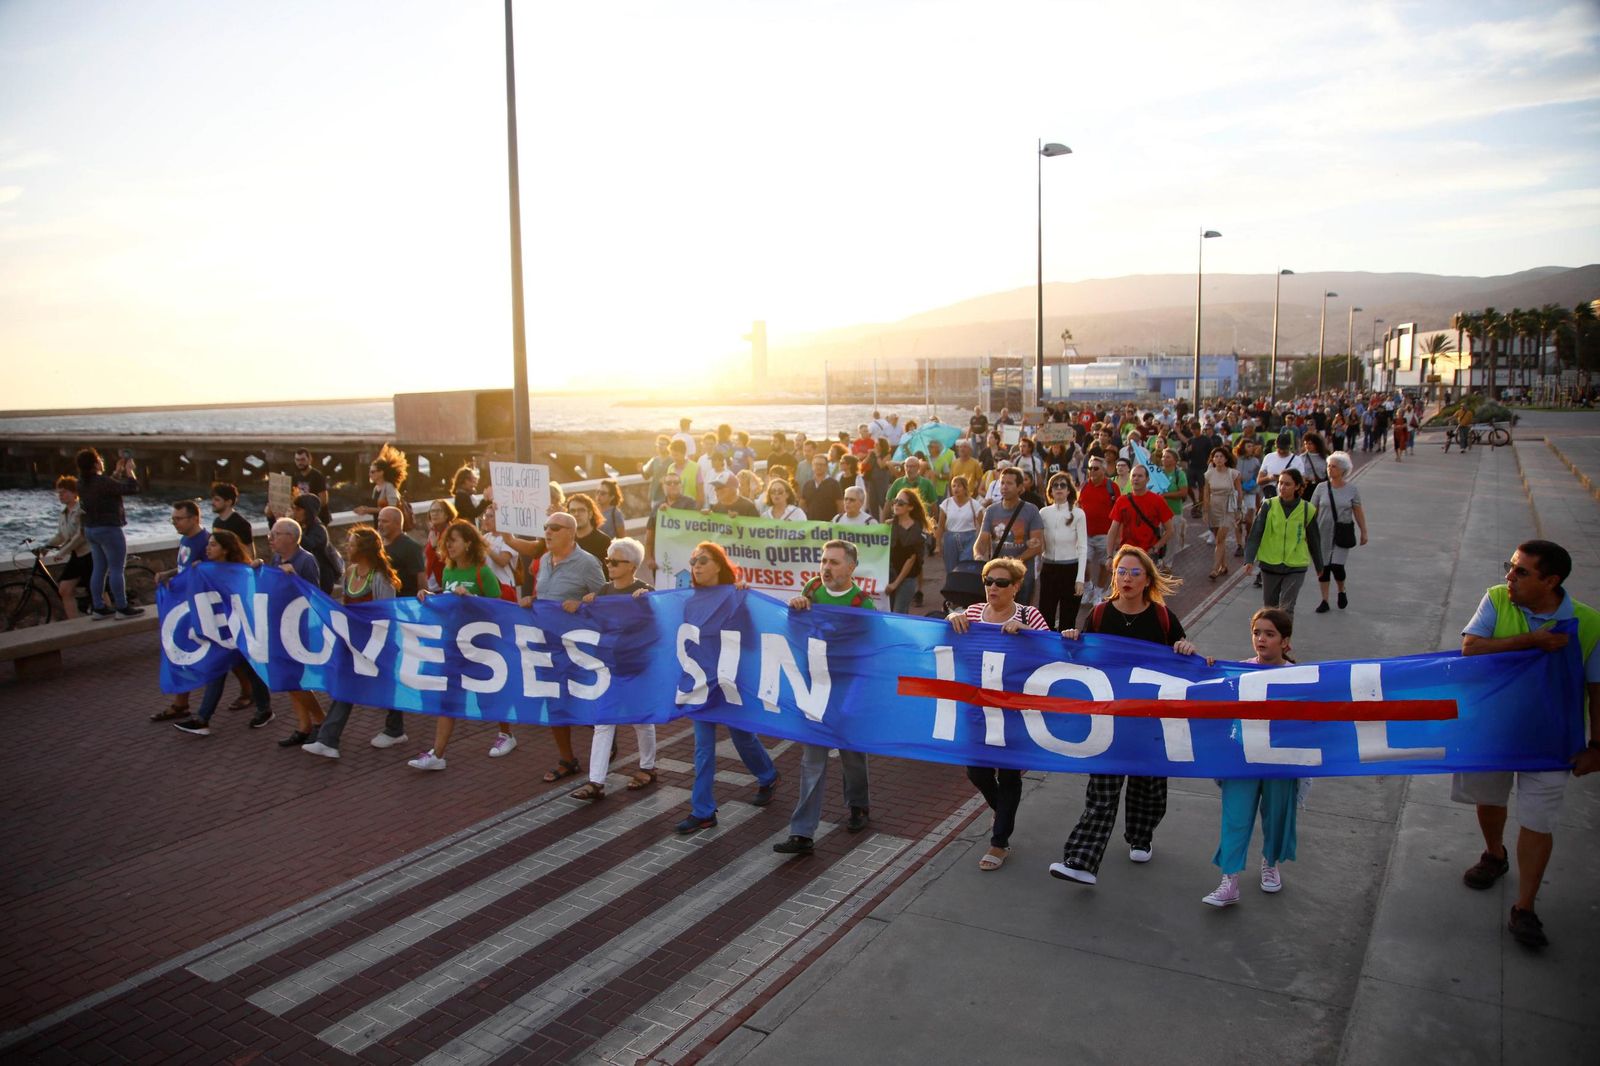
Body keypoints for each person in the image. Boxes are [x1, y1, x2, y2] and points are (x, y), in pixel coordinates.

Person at [1453, 540, 1600, 948]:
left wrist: (1597, 745)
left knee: (1538, 820)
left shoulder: (1589, 623)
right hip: (1493, 733)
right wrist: (1531, 641)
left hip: (1551, 741)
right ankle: (1495, 854)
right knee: (1489, 800)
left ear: (1551, 581)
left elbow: (1597, 689)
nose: (1509, 577)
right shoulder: (1497, 599)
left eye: (1521, 571)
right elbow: (1471, 649)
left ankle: (1525, 906)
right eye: (1510, 566)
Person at [1052, 546, 1199, 885]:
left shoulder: (1162, 617)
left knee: (1149, 787)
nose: (1127, 578)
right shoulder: (1100, 614)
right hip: (1110, 719)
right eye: (1121, 572)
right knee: (1102, 792)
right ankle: (1081, 861)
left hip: (1150, 719)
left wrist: (1186, 649)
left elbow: (1185, 660)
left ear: (1147, 579)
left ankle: (1140, 835)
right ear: (1114, 576)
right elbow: (1083, 661)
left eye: (1135, 573)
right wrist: (1073, 640)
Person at [946, 557, 1049, 871]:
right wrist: (952, 616)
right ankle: (1002, 810)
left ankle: (999, 841)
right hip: (978, 707)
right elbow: (949, 631)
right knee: (976, 771)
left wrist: (1028, 633)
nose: (993, 587)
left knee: (1008, 774)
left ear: (1016, 587)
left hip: (1014, 709)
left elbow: (1051, 651)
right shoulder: (974, 612)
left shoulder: (1030, 614)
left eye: (1001, 582)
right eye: (988, 581)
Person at [774, 541, 875, 854]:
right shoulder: (813, 588)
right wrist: (796, 606)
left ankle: (858, 805)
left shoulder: (861, 603)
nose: (826, 568)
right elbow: (796, 626)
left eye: (834, 562)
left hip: (846, 687)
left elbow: (871, 647)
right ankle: (802, 833)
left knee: (851, 752)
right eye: (823, 561)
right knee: (812, 759)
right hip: (816, 686)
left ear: (851, 567)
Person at [675, 542, 781, 833]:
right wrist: (641, 596)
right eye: (693, 561)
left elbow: (750, 640)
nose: (696, 566)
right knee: (703, 748)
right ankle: (703, 811)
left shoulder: (735, 596)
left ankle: (768, 775)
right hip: (701, 684)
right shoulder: (688, 601)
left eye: (703, 561)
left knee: (742, 737)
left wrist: (741, 600)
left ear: (719, 566)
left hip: (730, 680)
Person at [1202, 607, 1301, 907]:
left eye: (1270, 634)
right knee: (1235, 816)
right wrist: (1208, 668)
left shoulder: (1299, 676)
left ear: (1285, 642)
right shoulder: (1239, 670)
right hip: (1241, 757)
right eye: (1257, 633)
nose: (1261, 639)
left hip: (1280, 759)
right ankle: (1229, 880)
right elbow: (1216, 700)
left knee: (1277, 814)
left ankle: (1270, 862)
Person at [407, 519, 505, 769]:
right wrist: (430, 597)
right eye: (446, 542)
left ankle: (506, 734)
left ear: (469, 543)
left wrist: (472, 598)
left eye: (453, 541)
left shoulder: (483, 572)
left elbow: (499, 610)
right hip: (454, 643)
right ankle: (437, 754)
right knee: (449, 697)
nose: (448, 546)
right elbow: (447, 601)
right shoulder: (448, 572)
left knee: (488, 696)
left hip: (481, 646)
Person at [568, 537, 659, 800]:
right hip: (611, 666)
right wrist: (584, 604)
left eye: (616, 562)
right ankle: (596, 781)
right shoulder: (604, 592)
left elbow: (660, 619)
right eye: (608, 560)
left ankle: (648, 767)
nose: (609, 565)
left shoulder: (645, 591)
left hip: (637, 666)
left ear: (632, 566)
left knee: (641, 720)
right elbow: (595, 619)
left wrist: (650, 601)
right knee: (603, 721)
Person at [303, 527, 404, 759]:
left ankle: (395, 729)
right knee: (348, 684)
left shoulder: (380, 578)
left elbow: (387, 615)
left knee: (386, 684)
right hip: (353, 642)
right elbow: (344, 605)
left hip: (377, 644)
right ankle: (328, 740)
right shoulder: (349, 572)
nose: (346, 548)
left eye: (351, 544)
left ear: (364, 550)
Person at [171, 530, 275, 736]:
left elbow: (255, 582)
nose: (208, 548)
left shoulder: (241, 570)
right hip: (222, 633)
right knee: (239, 671)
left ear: (226, 549)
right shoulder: (205, 569)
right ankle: (262, 710)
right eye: (208, 544)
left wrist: (258, 564)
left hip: (238, 631)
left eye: (213, 545)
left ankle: (205, 719)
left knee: (231, 671)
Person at [529, 511, 608, 780]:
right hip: (547, 643)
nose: (548, 532)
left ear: (571, 533)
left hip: (577, 647)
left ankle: (604, 732)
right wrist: (531, 600)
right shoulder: (544, 560)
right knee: (554, 700)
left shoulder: (587, 563)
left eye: (555, 527)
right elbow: (544, 595)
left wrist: (582, 604)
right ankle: (567, 759)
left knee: (583, 699)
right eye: (546, 527)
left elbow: (604, 598)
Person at [264, 518, 328, 746]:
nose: (271, 538)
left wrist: (295, 577)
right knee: (289, 679)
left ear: (291, 537)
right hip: (279, 625)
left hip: (298, 627)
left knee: (293, 679)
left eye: (276, 534)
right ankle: (303, 725)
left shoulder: (306, 561)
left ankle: (321, 720)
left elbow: (314, 595)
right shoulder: (275, 559)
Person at [1243, 468, 1323, 618]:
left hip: (1295, 566)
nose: (1282, 487)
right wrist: (1249, 559)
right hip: (1270, 564)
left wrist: (1320, 566)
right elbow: (1255, 534)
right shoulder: (1268, 506)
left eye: (1287, 484)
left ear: (1297, 486)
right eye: (1280, 483)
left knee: (1287, 609)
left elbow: (1314, 540)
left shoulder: (1307, 509)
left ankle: (1285, 634)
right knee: (1270, 610)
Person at [76, 447, 143, 619]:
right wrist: (129, 472)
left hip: (91, 530)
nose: (102, 461)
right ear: (95, 464)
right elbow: (132, 488)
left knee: (99, 569)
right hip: (109, 529)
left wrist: (117, 472)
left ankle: (98, 607)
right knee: (116, 569)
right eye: (99, 459)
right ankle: (121, 607)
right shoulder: (102, 482)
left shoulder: (81, 483)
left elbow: (108, 488)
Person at [974, 468, 1044, 606]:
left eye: (1009, 483)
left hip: (1022, 577)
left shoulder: (1031, 510)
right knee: (996, 613)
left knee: (1021, 613)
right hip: (997, 579)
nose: (1004, 487)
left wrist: (1011, 565)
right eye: (1002, 483)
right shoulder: (991, 511)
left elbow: (1036, 547)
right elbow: (982, 540)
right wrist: (978, 555)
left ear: (1020, 487)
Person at [1312, 452, 1368, 613]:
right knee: (1323, 567)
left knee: (1337, 566)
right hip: (1322, 532)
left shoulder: (1351, 489)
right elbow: (1312, 510)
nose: (1330, 469)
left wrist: (1364, 531)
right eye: (1329, 466)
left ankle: (1341, 590)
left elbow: (1358, 511)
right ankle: (1324, 600)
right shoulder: (1321, 488)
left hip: (1342, 533)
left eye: (1334, 466)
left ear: (1343, 470)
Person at [1038, 473, 1088, 631]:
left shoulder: (1078, 513)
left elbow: (1083, 547)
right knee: (1045, 617)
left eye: (1063, 485)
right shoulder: (1043, 513)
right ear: (1050, 491)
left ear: (1069, 490)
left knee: (1068, 619)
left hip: (1070, 569)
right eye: (1055, 485)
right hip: (1048, 568)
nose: (1059, 488)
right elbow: (1039, 543)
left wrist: (1080, 579)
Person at [41, 476, 90, 620]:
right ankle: (74, 624)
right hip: (77, 555)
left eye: (64, 492)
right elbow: (61, 535)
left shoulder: (81, 510)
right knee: (64, 590)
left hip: (89, 554)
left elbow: (81, 536)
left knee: (98, 589)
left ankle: (111, 619)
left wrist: (63, 552)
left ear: (75, 493)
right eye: (59, 493)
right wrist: (46, 547)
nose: (61, 495)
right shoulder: (63, 514)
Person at [1107, 464, 1172, 564]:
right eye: (1133, 476)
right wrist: (1110, 556)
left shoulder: (1158, 500)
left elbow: (1170, 530)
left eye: (1140, 476)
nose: (1136, 479)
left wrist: (1155, 548)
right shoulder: (1121, 501)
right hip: (1127, 553)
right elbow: (1113, 530)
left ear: (1147, 479)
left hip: (1148, 555)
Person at [885, 488, 932, 614]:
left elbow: (911, 560)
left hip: (907, 578)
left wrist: (895, 584)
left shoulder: (917, 529)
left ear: (910, 507)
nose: (896, 505)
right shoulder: (889, 526)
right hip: (890, 575)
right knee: (889, 612)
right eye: (895, 501)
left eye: (901, 503)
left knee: (898, 613)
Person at [644, 471, 694, 582]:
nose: (672, 485)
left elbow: (694, 530)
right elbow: (649, 536)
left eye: (676, 482)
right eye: (669, 483)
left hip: (683, 559)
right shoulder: (657, 507)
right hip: (661, 561)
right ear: (663, 486)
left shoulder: (690, 504)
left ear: (681, 485)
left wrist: (670, 512)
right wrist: (649, 558)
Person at [1201, 446, 1242, 580]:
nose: (1218, 459)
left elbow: (1239, 492)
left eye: (1221, 456)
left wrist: (1239, 509)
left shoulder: (1233, 473)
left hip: (1228, 508)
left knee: (1220, 539)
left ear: (1226, 459)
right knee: (1219, 538)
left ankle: (1215, 569)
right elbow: (1206, 493)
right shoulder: (1209, 474)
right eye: (1216, 457)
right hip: (1214, 507)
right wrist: (1205, 511)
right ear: (1212, 459)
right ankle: (1223, 565)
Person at [293, 493, 341, 594]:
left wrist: (295, 527)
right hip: (307, 574)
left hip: (322, 578)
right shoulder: (303, 527)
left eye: (298, 509)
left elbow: (308, 545)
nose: (294, 512)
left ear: (308, 511)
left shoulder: (319, 529)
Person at [376, 505, 426, 598]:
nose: (380, 524)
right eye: (379, 520)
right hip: (382, 601)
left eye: (385, 521)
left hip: (405, 600)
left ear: (397, 524)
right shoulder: (377, 546)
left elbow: (421, 580)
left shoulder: (410, 547)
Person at [936, 475, 983, 570]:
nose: (956, 488)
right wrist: (938, 545)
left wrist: (981, 544)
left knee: (965, 567)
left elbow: (983, 526)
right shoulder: (946, 503)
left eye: (959, 486)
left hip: (969, 538)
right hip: (950, 539)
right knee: (951, 569)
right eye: (953, 486)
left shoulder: (974, 504)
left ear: (965, 488)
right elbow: (940, 526)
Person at [354, 443, 408, 524]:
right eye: (369, 472)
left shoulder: (389, 487)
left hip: (390, 525)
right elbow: (377, 508)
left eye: (373, 472)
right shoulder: (376, 488)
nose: (370, 474)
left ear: (381, 473)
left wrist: (368, 510)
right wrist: (364, 510)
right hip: (379, 524)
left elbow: (392, 509)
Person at [566, 492, 614, 562]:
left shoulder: (604, 541)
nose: (576, 514)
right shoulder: (567, 541)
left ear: (590, 514)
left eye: (581, 510)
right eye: (572, 511)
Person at [421, 498, 457, 591]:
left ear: (447, 514)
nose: (434, 514)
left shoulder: (452, 533)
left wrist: (435, 546)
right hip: (431, 585)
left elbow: (452, 561)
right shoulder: (433, 532)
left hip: (447, 584)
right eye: (432, 511)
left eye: (438, 511)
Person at [289, 448, 331, 523]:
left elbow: (324, 500)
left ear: (309, 460)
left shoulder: (317, 476)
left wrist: (309, 510)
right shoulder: (295, 477)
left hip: (318, 518)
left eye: (302, 460)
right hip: (303, 517)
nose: (300, 463)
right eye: (297, 460)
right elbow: (293, 496)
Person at [799, 456, 844, 522]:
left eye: (821, 464)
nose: (818, 467)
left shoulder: (834, 484)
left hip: (829, 524)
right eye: (816, 464)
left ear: (826, 467)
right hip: (811, 524)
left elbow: (840, 505)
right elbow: (802, 504)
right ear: (812, 466)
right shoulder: (807, 484)